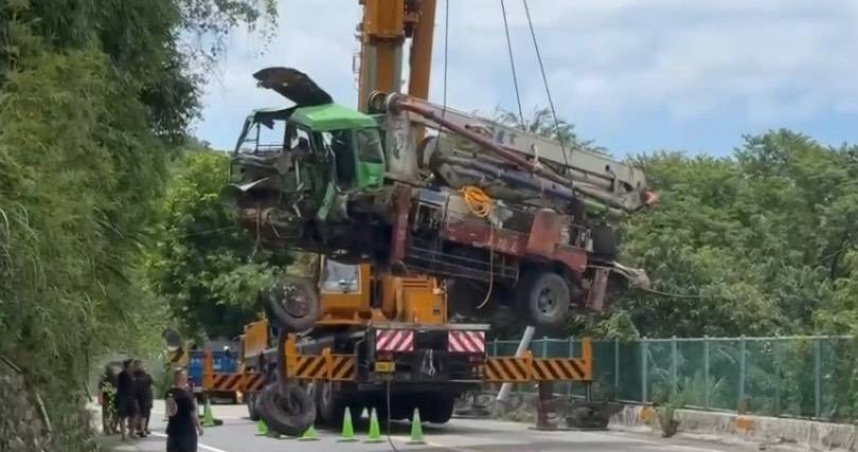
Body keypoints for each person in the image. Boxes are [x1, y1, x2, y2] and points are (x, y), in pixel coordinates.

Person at [166, 368, 203, 452]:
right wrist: (199, 426)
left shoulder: (169, 393)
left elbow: (169, 412)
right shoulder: (186, 395)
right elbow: (192, 413)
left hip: (173, 430)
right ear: (184, 379)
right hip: (186, 431)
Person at [115, 359, 138, 441]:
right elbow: (120, 387)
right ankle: (123, 436)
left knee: (134, 415)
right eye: (132, 365)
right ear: (128, 365)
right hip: (123, 398)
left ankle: (131, 432)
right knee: (123, 417)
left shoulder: (132, 375)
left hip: (131, 398)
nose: (133, 366)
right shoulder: (122, 375)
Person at [133, 361, 154, 437]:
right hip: (137, 397)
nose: (143, 367)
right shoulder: (134, 375)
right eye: (141, 366)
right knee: (139, 414)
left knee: (145, 413)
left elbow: (151, 383)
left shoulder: (147, 376)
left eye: (144, 366)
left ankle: (143, 429)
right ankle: (139, 429)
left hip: (145, 397)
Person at [99, 364, 118, 434]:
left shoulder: (103, 377)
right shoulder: (115, 377)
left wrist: (100, 398)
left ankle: (107, 428)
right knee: (113, 413)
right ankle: (112, 428)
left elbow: (100, 388)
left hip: (106, 397)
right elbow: (117, 388)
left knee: (106, 414)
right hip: (112, 397)